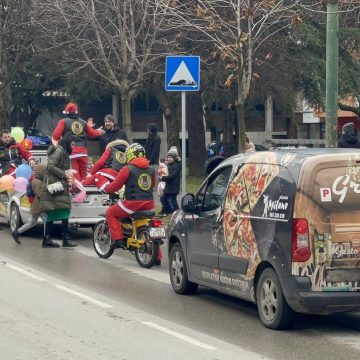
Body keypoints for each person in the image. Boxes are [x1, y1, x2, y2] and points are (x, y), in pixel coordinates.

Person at [100, 143, 155, 248]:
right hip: (149, 203)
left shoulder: (127, 169)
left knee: (110, 213)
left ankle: (118, 240)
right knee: (150, 229)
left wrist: (106, 189)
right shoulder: (151, 169)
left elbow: (116, 185)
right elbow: (152, 185)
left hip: (132, 203)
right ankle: (157, 257)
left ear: (129, 155)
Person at [39, 133, 77, 248]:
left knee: (62, 210)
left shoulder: (64, 152)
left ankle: (51, 239)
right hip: (55, 185)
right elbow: (51, 166)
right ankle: (61, 238)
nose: (73, 147)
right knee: (61, 210)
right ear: (67, 143)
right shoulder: (60, 151)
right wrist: (64, 174)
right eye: (72, 144)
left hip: (59, 185)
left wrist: (69, 174)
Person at [52, 102, 104, 181]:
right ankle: (85, 190)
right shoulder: (83, 122)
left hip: (71, 151)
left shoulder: (63, 121)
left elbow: (56, 136)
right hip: (83, 151)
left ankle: (77, 191)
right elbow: (93, 133)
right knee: (84, 176)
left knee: (75, 176)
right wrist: (99, 131)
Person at [11, 164, 47, 244]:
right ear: (41, 173)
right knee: (47, 221)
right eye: (45, 172)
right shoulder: (37, 181)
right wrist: (46, 191)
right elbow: (39, 193)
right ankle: (46, 238)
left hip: (35, 205)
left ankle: (17, 232)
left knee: (33, 222)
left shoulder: (35, 180)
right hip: (39, 206)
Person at [159, 146, 181, 216]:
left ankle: (176, 212)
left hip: (173, 186)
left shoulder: (175, 166)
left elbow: (172, 176)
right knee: (164, 198)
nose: (169, 159)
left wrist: (163, 178)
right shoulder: (170, 165)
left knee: (172, 200)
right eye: (168, 157)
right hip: (169, 186)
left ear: (174, 158)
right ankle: (170, 211)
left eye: (171, 157)